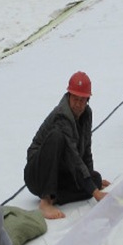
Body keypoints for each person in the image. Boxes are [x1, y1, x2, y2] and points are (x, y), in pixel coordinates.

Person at [24, 71, 110, 220]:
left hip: (59, 172)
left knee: (94, 179)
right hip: (38, 174)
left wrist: (92, 181)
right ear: (68, 95)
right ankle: (45, 200)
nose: (78, 104)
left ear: (88, 100)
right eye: (75, 99)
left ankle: (55, 198)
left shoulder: (87, 114)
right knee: (56, 137)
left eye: (82, 100)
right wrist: (95, 193)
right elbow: (73, 156)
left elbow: (86, 149)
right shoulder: (62, 115)